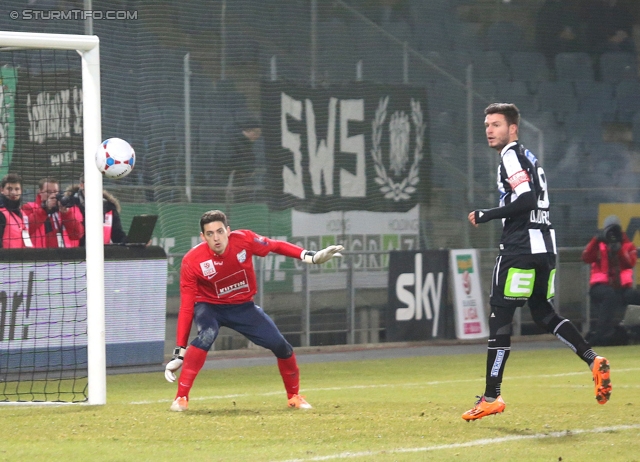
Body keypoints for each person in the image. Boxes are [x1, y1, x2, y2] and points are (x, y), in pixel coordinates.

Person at [463, 103, 611, 421]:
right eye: (487, 124)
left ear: (513, 128)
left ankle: (492, 396)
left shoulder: (511, 155)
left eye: (497, 124)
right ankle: (592, 358)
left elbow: (526, 199)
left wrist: (487, 214)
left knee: (500, 317)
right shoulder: (530, 157)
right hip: (545, 248)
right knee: (543, 312)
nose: (489, 130)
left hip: (519, 249)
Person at [164, 209, 344, 412]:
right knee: (207, 334)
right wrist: (179, 352)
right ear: (202, 237)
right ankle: (181, 398)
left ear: (228, 231)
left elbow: (276, 246)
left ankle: (293, 397)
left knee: (282, 347)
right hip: (210, 307)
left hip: (243, 307)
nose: (216, 238)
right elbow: (187, 307)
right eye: (210, 234)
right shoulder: (192, 261)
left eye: (220, 231)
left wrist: (309, 256)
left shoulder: (245, 240)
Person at [582, 215, 640, 346]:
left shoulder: (628, 246)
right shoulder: (598, 245)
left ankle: (635, 331)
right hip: (600, 286)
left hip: (622, 287)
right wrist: (596, 240)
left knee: (635, 296)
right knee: (610, 295)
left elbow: (630, 263)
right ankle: (602, 333)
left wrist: (619, 249)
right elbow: (586, 257)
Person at [63, 174, 126, 246]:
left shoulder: (109, 208)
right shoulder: (68, 205)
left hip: (101, 255)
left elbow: (117, 234)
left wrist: (126, 241)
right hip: (73, 254)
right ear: (82, 185)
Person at [22, 177, 84, 248]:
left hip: (64, 256)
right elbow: (25, 230)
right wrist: (45, 209)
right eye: (48, 192)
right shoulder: (29, 207)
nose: (52, 195)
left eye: (55, 192)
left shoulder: (67, 209)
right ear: (40, 192)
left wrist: (66, 214)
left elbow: (78, 234)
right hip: (38, 255)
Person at [534, 0, 584, 67]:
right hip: (548, 65)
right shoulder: (545, 15)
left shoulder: (572, 17)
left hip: (573, 65)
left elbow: (582, 45)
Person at [0, 173, 32, 248]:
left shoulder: (22, 213)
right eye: (9, 189)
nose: (13, 192)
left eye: (17, 189)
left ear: (21, 191)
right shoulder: (1, 214)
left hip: (22, 257)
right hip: (5, 258)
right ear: (2, 190)